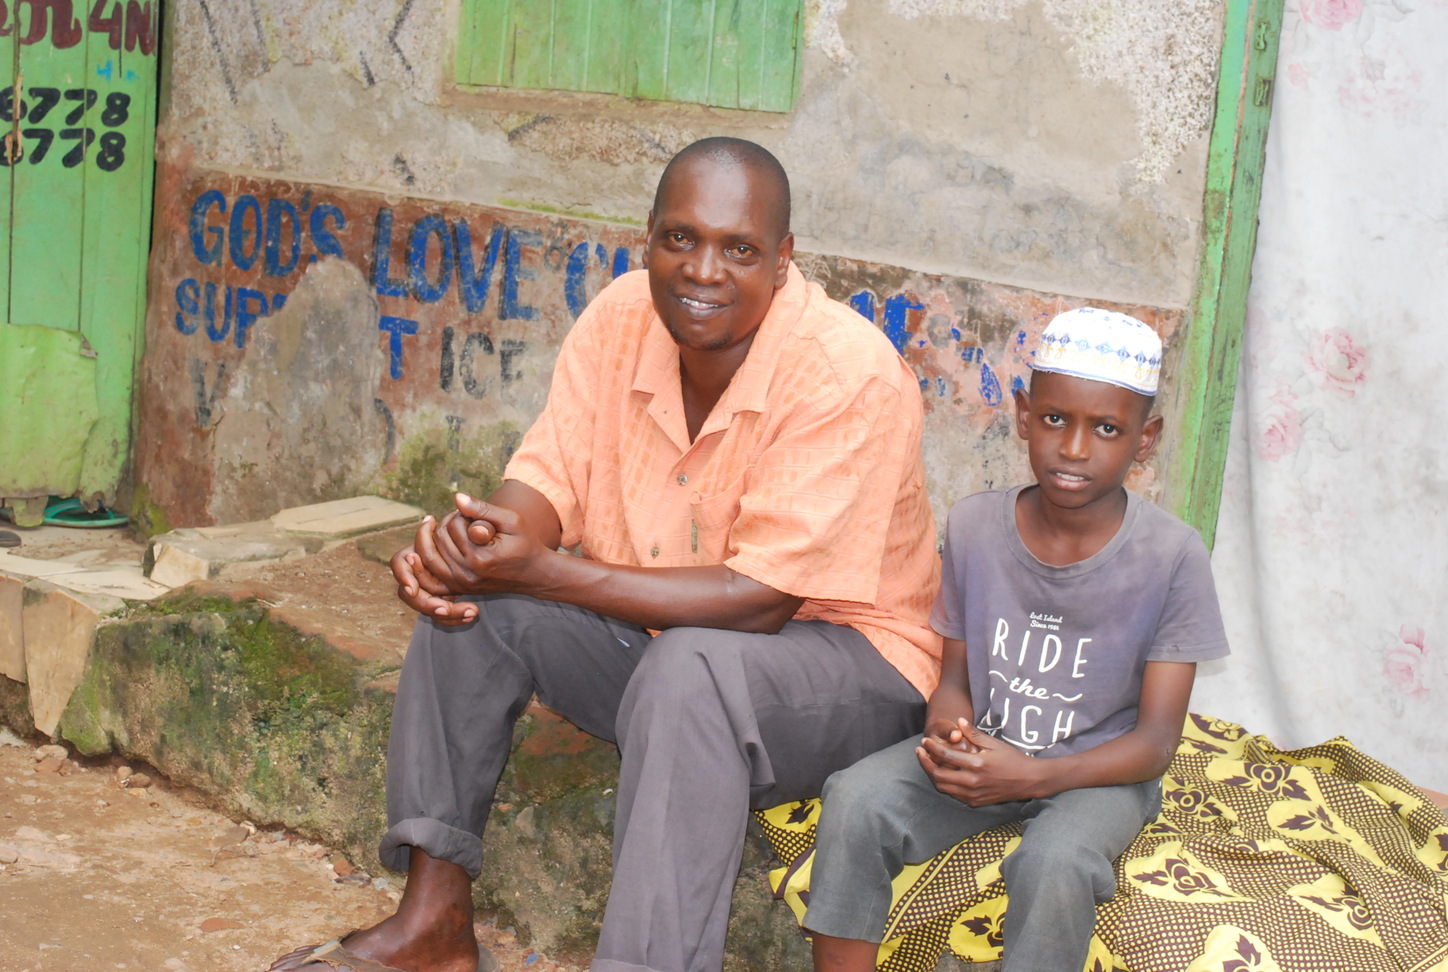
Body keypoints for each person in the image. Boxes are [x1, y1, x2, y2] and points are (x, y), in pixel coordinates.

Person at [271, 137, 942, 972]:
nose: (703, 270)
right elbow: (545, 485)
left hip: (848, 669)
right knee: (480, 609)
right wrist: (471, 547)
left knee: (689, 671)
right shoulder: (622, 317)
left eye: (739, 249)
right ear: (647, 238)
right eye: (680, 239)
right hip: (668, 645)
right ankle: (432, 920)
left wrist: (546, 570)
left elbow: (760, 601)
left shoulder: (846, 372)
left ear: (783, 261)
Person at [804, 308, 1231, 972]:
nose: (1075, 448)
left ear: (1145, 440)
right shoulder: (976, 525)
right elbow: (954, 682)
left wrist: (1033, 776)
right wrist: (954, 735)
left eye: (1107, 429)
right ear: (1025, 415)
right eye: (1056, 419)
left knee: (1054, 860)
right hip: (993, 753)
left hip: (1102, 775)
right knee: (856, 798)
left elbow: (1154, 743)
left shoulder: (1173, 556)